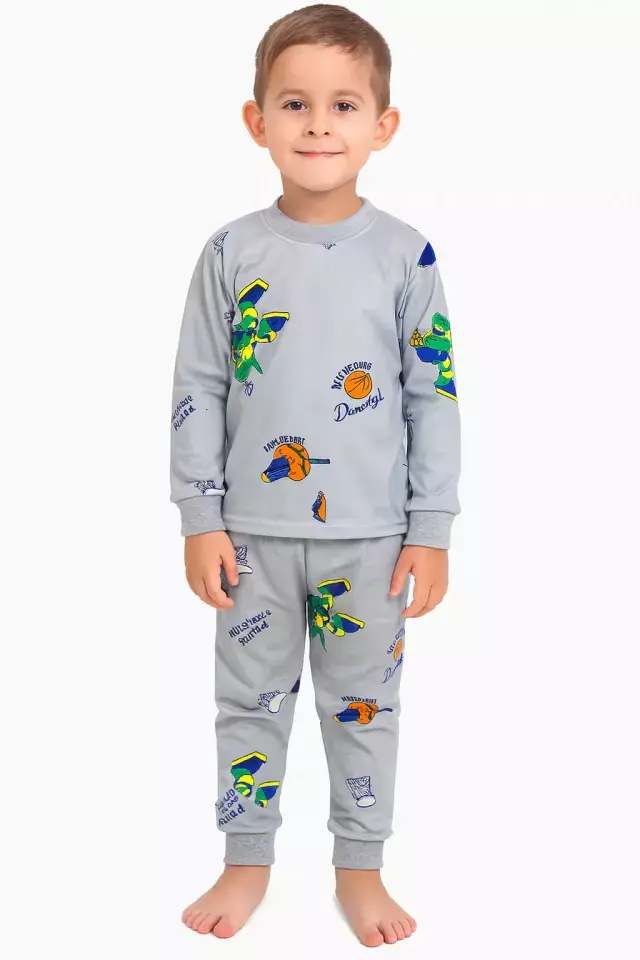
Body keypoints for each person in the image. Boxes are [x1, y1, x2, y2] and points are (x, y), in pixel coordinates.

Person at [169, 3, 461, 947]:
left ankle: (360, 870)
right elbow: (198, 386)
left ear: (384, 125)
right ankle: (246, 860)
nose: (319, 125)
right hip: (251, 538)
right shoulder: (230, 252)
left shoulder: (406, 254)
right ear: (257, 120)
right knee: (247, 709)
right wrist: (200, 517)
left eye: (344, 105)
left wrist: (431, 530)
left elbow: (435, 397)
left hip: (372, 541)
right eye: (295, 103)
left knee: (363, 711)